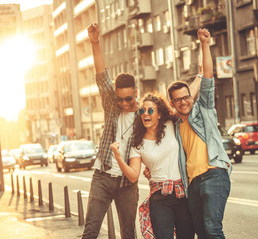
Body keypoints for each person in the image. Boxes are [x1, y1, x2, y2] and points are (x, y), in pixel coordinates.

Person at [167, 28, 232, 238]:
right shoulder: (175, 126)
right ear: (173, 103)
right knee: (202, 232)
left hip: (214, 174)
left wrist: (205, 45)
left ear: (191, 96)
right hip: (193, 184)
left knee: (212, 227)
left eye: (186, 97)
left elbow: (207, 79)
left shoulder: (203, 110)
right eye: (179, 99)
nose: (184, 101)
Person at [110, 93, 195, 239]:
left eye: (150, 110)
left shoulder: (171, 125)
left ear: (160, 114)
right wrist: (118, 156)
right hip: (159, 198)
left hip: (183, 195)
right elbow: (133, 176)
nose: (145, 114)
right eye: (142, 111)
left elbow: (183, 97)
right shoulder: (138, 143)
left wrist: (200, 75)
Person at [82, 23, 139, 239]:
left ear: (135, 93)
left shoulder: (145, 115)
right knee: (90, 231)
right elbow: (102, 75)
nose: (124, 103)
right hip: (103, 177)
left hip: (127, 184)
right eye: (120, 98)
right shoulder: (111, 105)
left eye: (128, 98)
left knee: (128, 232)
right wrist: (95, 43)